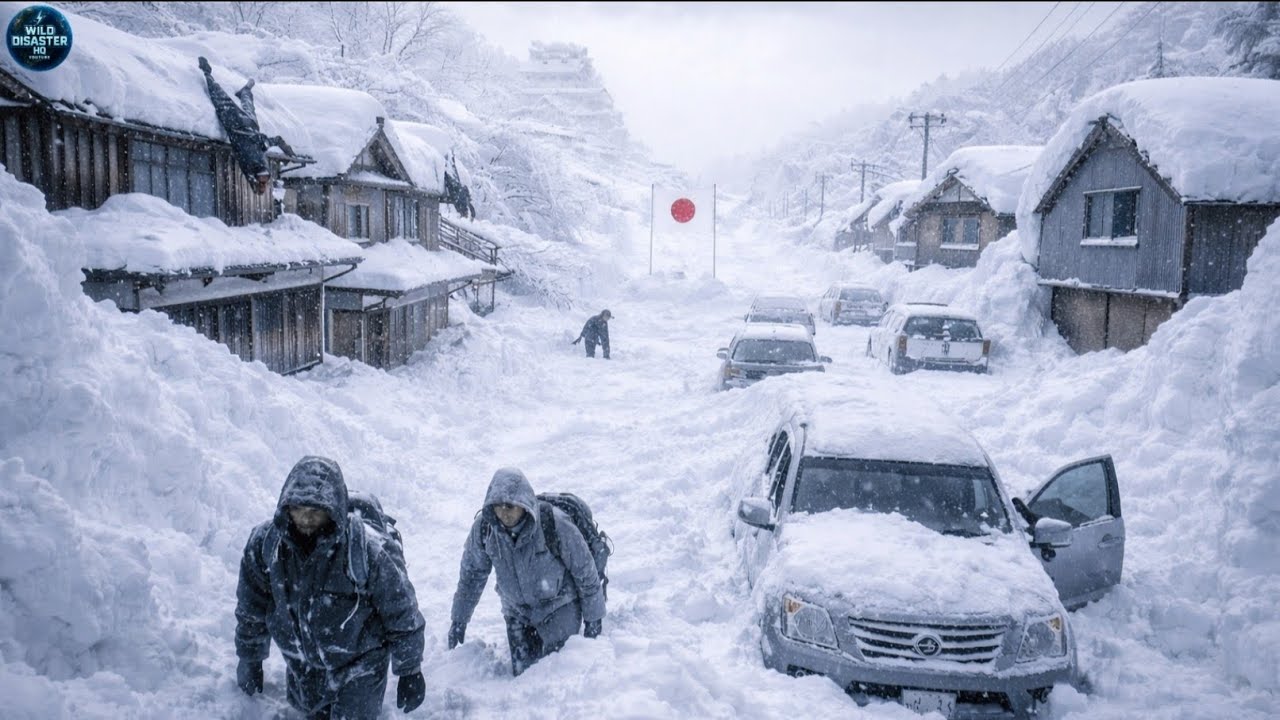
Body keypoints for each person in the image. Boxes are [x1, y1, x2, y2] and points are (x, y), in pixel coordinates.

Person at [234, 456, 427, 718]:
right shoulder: (266, 544)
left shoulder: (365, 550)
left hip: (360, 662)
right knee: (313, 714)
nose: (306, 518)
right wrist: (250, 656)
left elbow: (401, 610)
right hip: (301, 662)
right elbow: (251, 605)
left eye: (316, 511)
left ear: (333, 509)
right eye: (298, 508)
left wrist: (410, 669)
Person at [448, 468, 605, 676]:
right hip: (517, 612)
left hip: (559, 605)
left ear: (523, 503)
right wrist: (459, 619)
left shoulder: (554, 523)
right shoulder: (485, 529)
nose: (504, 512)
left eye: (510, 506)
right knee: (523, 675)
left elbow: (585, 572)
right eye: (498, 506)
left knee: (557, 673)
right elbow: (472, 576)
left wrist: (594, 619)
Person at [198, 56, 296, 195]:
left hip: (244, 126)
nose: (264, 181)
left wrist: (287, 151)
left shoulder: (255, 156)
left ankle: (241, 89)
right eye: (265, 180)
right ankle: (217, 78)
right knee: (228, 101)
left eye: (262, 181)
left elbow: (276, 141)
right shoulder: (257, 154)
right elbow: (276, 140)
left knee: (234, 103)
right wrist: (287, 151)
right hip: (243, 125)